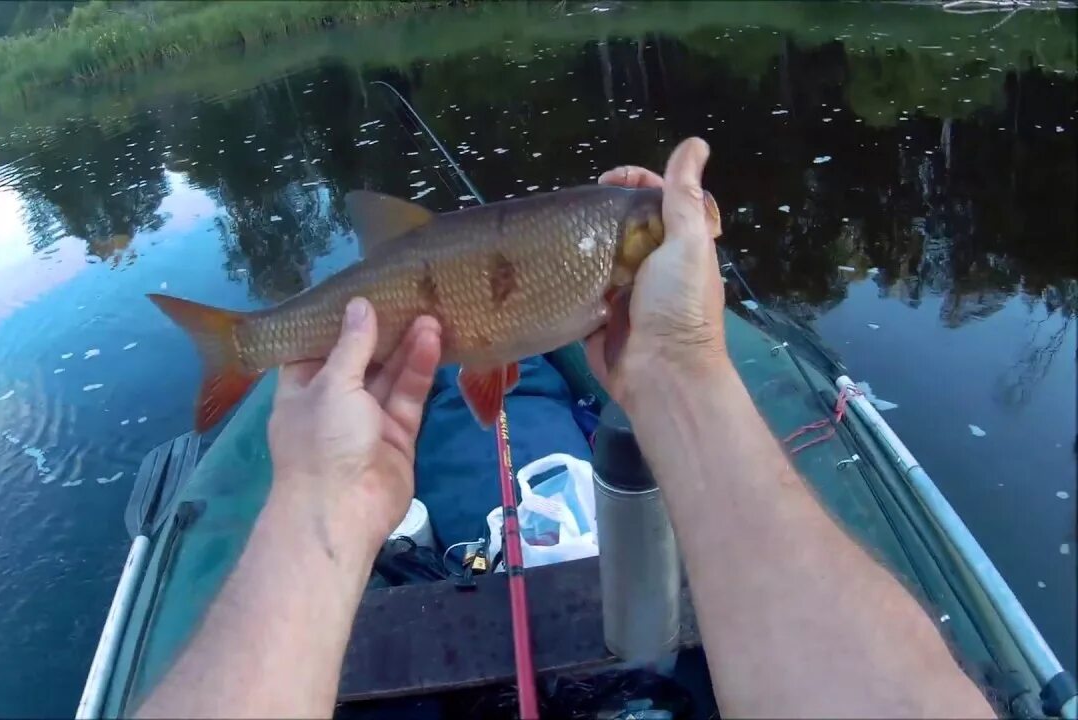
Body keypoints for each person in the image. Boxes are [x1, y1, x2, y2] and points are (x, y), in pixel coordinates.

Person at [135, 138, 995, 719]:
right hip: (429, 302)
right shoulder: (616, 257)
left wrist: (675, 357)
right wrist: (686, 367)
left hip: (443, 327)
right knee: (474, 368)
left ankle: (265, 347)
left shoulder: (612, 261)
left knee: (473, 384)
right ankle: (247, 343)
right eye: (664, 234)